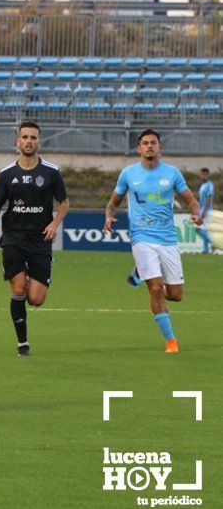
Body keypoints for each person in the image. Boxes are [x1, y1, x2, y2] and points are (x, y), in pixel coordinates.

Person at [104, 129, 202, 354]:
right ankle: (171, 341)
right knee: (156, 288)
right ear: (139, 148)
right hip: (141, 237)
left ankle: (140, 274)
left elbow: (191, 200)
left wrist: (195, 213)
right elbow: (113, 202)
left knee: (176, 295)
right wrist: (108, 216)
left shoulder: (173, 173)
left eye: (153, 143)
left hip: (167, 239)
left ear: (159, 148)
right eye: (145, 143)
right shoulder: (129, 174)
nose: (149, 146)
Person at [0, 120, 70, 357]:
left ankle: (40, 270)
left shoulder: (51, 172)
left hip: (40, 240)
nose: (29, 141)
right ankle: (22, 342)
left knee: (36, 299)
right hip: (13, 238)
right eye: (25, 137)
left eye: (33, 137)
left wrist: (54, 224)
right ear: (17, 141)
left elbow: (63, 203)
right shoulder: (6, 174)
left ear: (38, 141)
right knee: (18, 288)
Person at [195, 168, 215, 254]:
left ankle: (213, 243)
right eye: (201, 174)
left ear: (207, 175)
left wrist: (203, 212)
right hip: (201, 210)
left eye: (204, 174)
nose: (202, 176)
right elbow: (199, 199)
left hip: (207, 211)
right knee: (205, 230)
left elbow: (209, 199)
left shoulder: (210, 184)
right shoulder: (202, 185)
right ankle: (206, 250)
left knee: (197, 229)